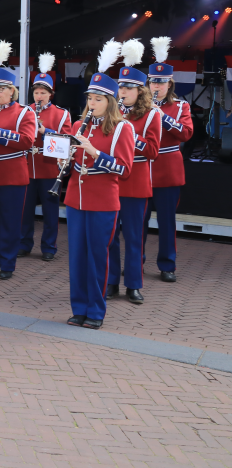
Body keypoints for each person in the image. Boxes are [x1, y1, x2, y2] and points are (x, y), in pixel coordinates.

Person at [64, 40, 134, 330]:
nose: (91, 104)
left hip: (104, 200)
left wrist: (96, 154)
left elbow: (125, 169)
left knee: (97, 256)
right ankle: (78, 307)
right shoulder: (79, 126)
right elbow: (71, 162)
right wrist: (64, 162)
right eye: (89, 99)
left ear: (110, 102)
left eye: (97, 99)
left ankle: (95, 311)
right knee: (77, 257)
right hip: (75, 199)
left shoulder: (122, 128)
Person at [106, 40, 161, 304]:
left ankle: (134, 285)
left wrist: (127, 137)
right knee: (110, 236)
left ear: (140, 91)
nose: (122, 91)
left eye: (128, 88)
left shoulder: (152, 115)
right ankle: (111, 281)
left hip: (136, 181)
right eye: (120, 87)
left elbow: (152, 151)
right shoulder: (110, 112)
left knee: (134, 236)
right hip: (111, 180)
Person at [0, 46, 36, 280]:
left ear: (11, 91)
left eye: (0, 89)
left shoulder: (24, 113)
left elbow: (26, 141)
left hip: (12, 174)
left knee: (10, 221)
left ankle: (8, 264)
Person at [143, 36, 193, 283]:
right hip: (141, 169)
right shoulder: (137, 106)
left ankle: (167, 265)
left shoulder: (181, 106)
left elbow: (186, 133)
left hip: (167, 170)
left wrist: (163, 116)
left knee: (166, 222)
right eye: (153, 82)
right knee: (136, 221)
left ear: (170, 84)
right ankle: (135, 262)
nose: (157, 87)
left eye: (162, 83)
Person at [20, 54, 71, 260]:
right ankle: (24, 244)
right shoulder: (25, 111)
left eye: (43, 92)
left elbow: (66, 139)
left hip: (49, 166)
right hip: (27, 165)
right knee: (25, 209)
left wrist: (45, 132)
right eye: (36, 92)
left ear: (51, 94)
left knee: (50, 211)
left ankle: (49, 247)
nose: (39, 96)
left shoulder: (61, 114)